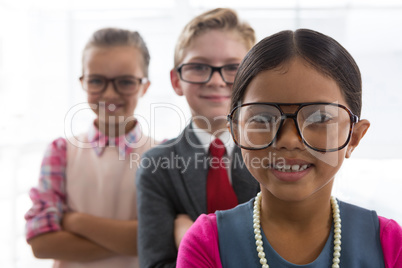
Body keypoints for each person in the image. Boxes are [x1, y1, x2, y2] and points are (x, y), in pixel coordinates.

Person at [177, 29, 402, 268]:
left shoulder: (389, 243)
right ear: (235, 130)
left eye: (319, 118)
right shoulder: (207, 242)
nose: (289, 140)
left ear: (354, 136)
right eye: (262, 118)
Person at [136, 8, 260, 268]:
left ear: (253, 80)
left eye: (232, 67)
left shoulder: (274, 154)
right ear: (176, 80)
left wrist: (190, 241)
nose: (216, 80)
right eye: (199, 67)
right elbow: (156, 264)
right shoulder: (156, 167)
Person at [24, 27, 156, 267]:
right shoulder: (61, 151)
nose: (109, 93)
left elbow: (160, 238)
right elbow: (41, 244)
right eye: (96, 81)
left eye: (125, 82)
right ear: (83, 82)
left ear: (144, 86)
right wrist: (130, 238)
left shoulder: (162, 155)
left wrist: (75, 221)